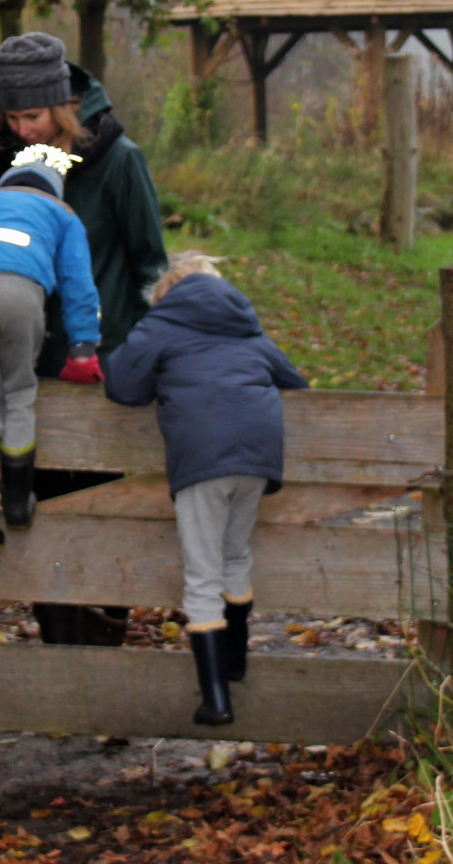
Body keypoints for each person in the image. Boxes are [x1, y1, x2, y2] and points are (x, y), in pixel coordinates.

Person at [0, 32, 167, 644]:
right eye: (11, 116)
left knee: (103, 509)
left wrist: (149, 352)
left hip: (101, 366)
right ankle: (60, 653)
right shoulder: (9, 162)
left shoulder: (119, 161)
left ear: (62, 106)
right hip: (27, 364)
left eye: (31, 115)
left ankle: (104, 650)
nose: (22, 128)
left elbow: (150, 266)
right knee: (37, 503)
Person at [103, 253, 308, 726]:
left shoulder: (162, 326)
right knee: (234, 555)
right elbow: (295, 382)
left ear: (167, 294)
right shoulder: (247, 329)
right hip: (257, 457)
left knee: (201, 573)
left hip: (202, 458)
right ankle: (234, 663)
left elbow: (123, 385)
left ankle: (216, 700)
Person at [0, 143, 104, 559]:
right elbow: (78, 284)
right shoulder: (61, 213)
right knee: (18, 395)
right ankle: (16, 507)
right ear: (54, 188)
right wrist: (83, 347)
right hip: (19, 291)